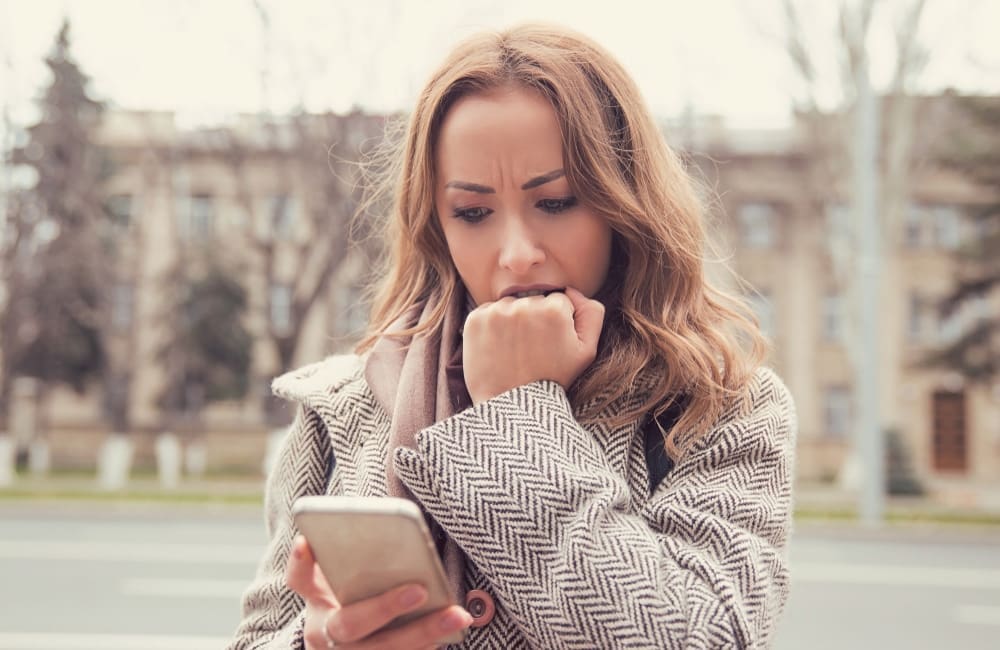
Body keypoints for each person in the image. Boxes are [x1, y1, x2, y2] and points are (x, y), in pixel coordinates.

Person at [228, 23, 796, 650]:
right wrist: (320, 644)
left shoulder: (719, 408)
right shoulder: (340, 407)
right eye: (472, 213)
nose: (517, 254)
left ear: (625, 204)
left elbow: (705, 637)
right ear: (437, 226)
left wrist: (515, 414)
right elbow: (257, 636)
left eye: (555, 202)